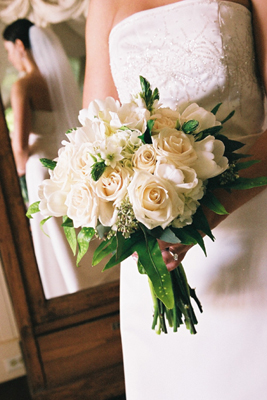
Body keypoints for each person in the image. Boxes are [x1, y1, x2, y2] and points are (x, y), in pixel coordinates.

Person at [83, 0, 267, 399]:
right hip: (155, 248)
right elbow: (95, 131)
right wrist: (129, 211)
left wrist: (200, 220)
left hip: (251, 223)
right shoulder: (102, 5)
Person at [3, 19, 119, 299]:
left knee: (52, 239)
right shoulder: (54, 81)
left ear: (20, 46)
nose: (9, 57)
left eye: (8, 49)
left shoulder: (22, 86)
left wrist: (16, 172)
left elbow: (18, 146)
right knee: (73, 235)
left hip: (37, 168)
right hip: (61, 165)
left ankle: (64, 291)